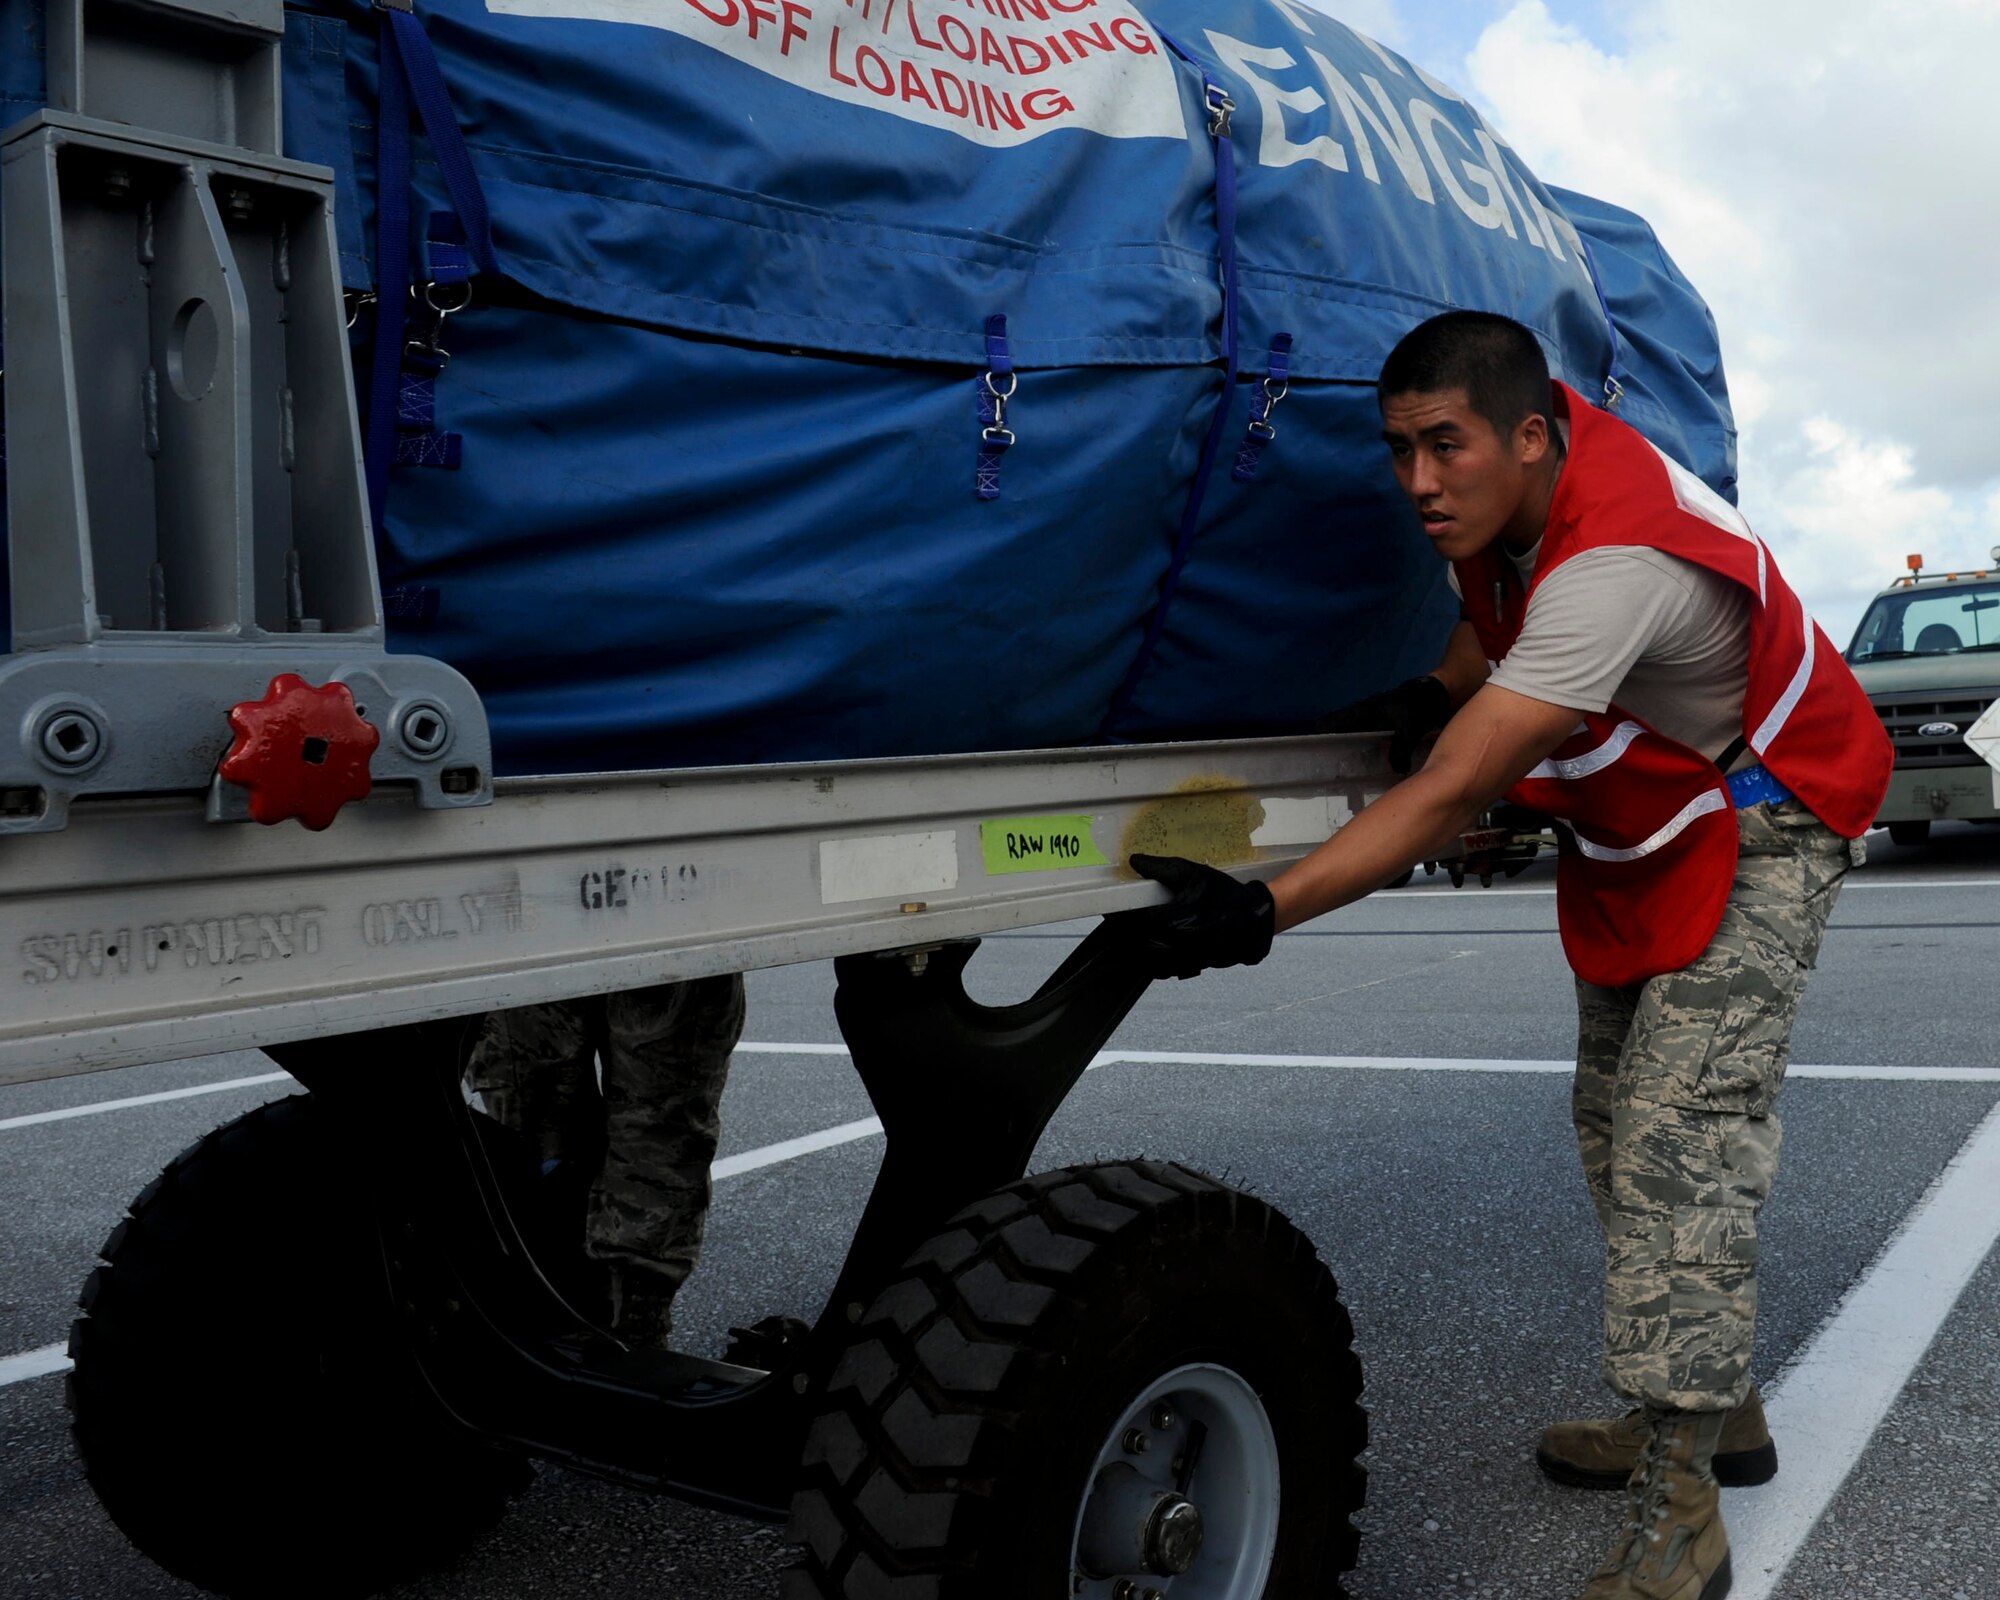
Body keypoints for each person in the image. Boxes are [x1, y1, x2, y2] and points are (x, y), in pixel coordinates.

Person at [1125, 311, 1891, 1600]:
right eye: (1397, 449)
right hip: (1651, 817)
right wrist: (1433, 686)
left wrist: (1264, 911)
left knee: (1675, 1142)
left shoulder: (1616, 562)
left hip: (1767, 811)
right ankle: (1713, 1409)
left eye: (1446, 445)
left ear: (1530, 436)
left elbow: (1455, 785)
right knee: (1609, 1117)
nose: (1418, 482)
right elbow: (1484, 644)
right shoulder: (1512, 510)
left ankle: (1680, 1517)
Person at [466, 974, 746, 1350]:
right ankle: (563, 1300)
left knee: (660, 1116)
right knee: (535, 1115)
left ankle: (634, 1314)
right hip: (524, 937)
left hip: (658, 930)